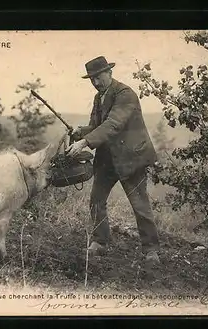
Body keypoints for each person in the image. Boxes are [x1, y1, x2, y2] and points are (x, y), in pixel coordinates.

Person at [65, 56, 160, 264]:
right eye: (92, 79)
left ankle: (151, 250)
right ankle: (100, 241)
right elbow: (98, 126)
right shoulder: (99, 98)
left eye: (98, 77)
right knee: (96, 201)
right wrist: (81, 132)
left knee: (140, 206)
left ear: (109, 73)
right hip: (107, 160)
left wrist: (84, 143)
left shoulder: (125, 95)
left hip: (130, 159)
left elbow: (113, 125)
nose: (96, 83)